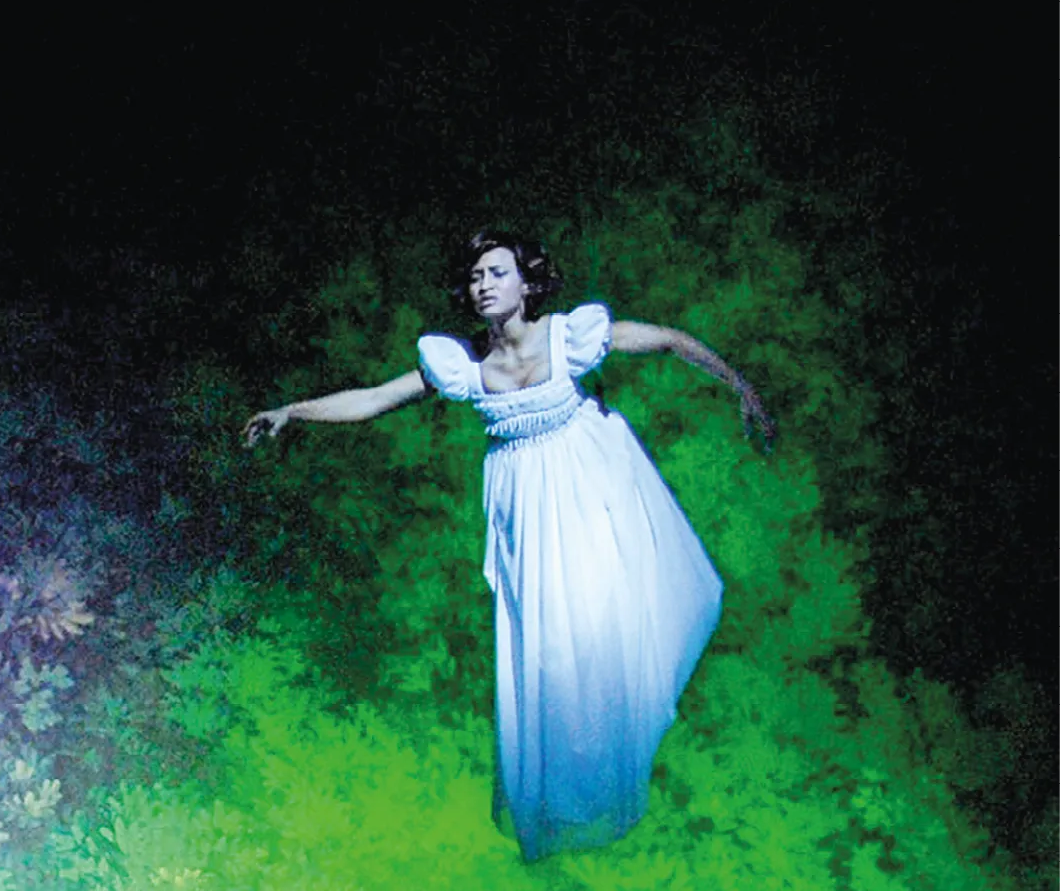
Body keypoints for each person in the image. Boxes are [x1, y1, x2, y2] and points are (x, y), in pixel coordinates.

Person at [244, 230, 774, 858]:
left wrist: (739, 384)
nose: (483, 284)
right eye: (475, 277)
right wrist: (291, 411)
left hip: (593, 496)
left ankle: (631, 730)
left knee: (610, 629)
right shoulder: (464, 364)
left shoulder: (568, 337)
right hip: (530, 520)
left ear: (528, 283)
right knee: (549, 660)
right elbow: (374, 400)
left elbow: (663, 340)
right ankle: (566, 805)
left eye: (497, 272)